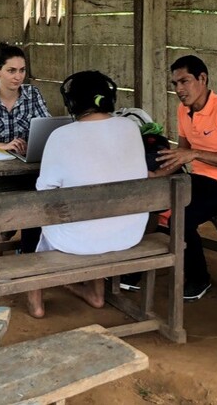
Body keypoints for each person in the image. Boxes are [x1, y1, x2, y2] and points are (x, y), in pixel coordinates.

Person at [24, 70, 149, 319]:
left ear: (71, 103)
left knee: (34, 215)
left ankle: (35, 298)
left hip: (77, 241)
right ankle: (95, 293)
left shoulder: (60, 136)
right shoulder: (131, 128)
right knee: (95, 214)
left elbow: (44, 191)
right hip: (128, 233)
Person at [132, 55, 217, 301]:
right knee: (149, 201)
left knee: (181, 218)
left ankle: (199, 277)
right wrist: (156, 175)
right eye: (175, 84)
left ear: (202, 79)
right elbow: (179, 156)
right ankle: (133, 271)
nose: (179, 89)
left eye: (184, 81)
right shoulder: (184, 110)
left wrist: (195, 153)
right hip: (196, 180)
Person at [0, 42, 50, 155]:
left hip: (24, 160)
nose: (18, 77)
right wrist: (5, 147)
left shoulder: (32, 93)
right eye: (11, 71)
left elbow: (46, 128)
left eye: (22, 70)